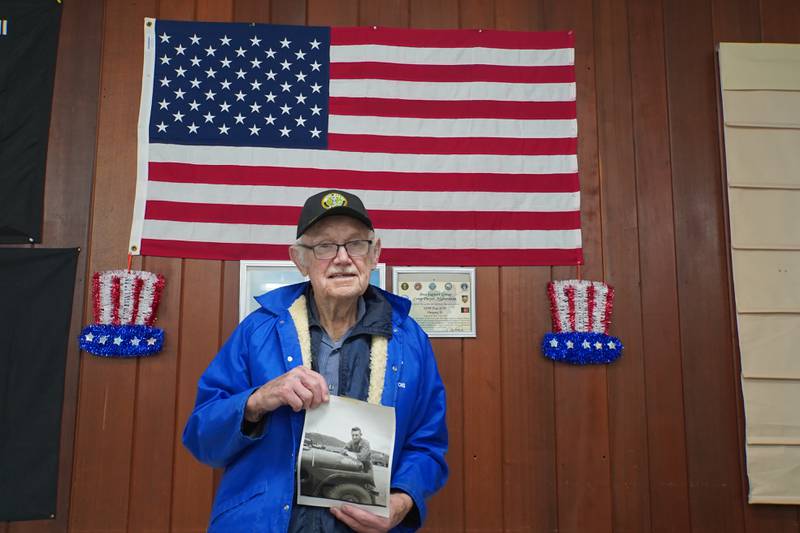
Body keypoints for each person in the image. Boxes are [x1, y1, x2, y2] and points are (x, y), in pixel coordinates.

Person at [182, 189, 448, 532]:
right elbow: (201, 437)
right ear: (299, 259)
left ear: (374, 253)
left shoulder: (410, 341)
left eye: (355, 244)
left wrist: (402, 500)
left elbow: (427, 445)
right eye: (324, 246)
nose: (342, 258)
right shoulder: (257, 332)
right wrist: (258, 400)